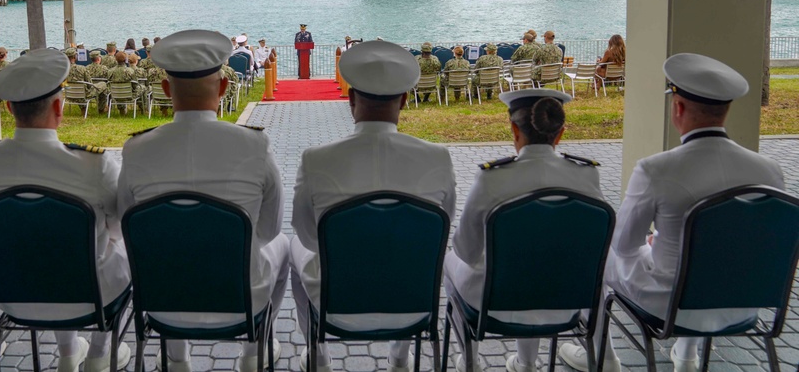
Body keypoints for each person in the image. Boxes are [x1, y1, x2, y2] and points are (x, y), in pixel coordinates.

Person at [558, 54, 787, 372]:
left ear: (677, 108)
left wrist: (656, 244)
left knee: (596, 254)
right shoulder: (770, 171)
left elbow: (624, 246)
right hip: (744, 307)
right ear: (726, 109)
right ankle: (688, 357)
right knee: (699, 257)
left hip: (671, 306)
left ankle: (604, 357)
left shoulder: (656, 169)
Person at [118, 30, 290, 372]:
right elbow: (269, 231)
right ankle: (255, 351)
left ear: (167, 91)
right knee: (283, 243)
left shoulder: (136, 149)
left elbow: (129, 226)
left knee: (162, 247)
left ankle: (177, 359)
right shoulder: (255, 145)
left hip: (162, 299)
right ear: (223, 88)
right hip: (241, 295)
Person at [291, 41, 456, 372]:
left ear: (351, 99)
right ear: (405, 100)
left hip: (336, 303)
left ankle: (319, 357)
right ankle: (399, 357)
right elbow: (441, 229)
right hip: (413, 302)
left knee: (294, 247)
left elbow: (309, 237)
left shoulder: (316, 160)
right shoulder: (438, 158)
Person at [0, 50, 131, 372]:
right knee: (108, 247)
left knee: (33, 246)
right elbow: (117, 225)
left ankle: (70, 351)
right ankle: (99, 354)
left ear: (9, 108)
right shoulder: (93, 164)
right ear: (58, 106)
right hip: (89, 295)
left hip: (10, 293)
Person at [444, 89, 602, 372]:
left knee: (450, 258)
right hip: (566, 298)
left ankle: (470, 360)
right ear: (560, 133)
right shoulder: (586, 174)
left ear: (515, 130)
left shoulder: (492, 178)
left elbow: (466, 251)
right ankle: (527, 363)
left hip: (493, 302)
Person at [106, 51, 145, 115]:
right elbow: (135, 85)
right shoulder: (130, 71)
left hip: (115, 95)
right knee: (142, 87)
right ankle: (143, 109)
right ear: (125, 59)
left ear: (115, 59)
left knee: (118, 89)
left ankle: (122, 109)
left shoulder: (110, 71)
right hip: (129, 95)